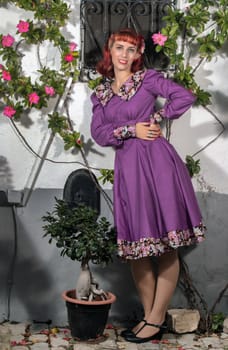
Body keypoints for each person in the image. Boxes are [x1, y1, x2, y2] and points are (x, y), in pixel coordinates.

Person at [90, 28, 205, 343]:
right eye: (119, 47)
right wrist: (131, 129)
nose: (125, 54)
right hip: (129, 170)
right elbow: (99, 133)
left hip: (158, 165)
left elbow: (185, 96)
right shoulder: (100, 94)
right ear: (109, 52)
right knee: (139, 247)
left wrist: (157, 117)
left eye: (131, 49)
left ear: (137, 54)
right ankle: (148, 317)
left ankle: (154, 320)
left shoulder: (149, 80)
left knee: (166, 244)